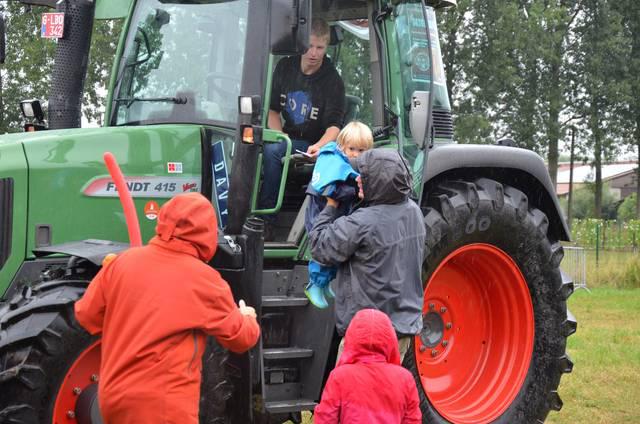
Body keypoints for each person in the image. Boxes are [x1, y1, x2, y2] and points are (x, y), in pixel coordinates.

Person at [74, 193, 260, 424]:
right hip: (164, 407)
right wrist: (248, 317)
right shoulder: (205, 280)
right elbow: (241, 338)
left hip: (113, 399)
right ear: (208, 234)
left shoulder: (122, 263)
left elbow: (85, 314)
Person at [308, 149, 426, 361]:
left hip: (367, 339)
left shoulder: (363, 222)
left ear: (380, 182)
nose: (358, 180)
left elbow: (319, 245)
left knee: (351, 393)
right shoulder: (414, 211)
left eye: (366, 175)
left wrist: (330, 206)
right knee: (386, 393)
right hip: (401, 333)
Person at [259, 17, 346, 240]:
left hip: (314, 144)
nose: (314, 53)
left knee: (272, 152)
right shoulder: (284, 67)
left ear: (326, 47)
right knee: (250, 146)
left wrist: (317, 147)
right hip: (287, 138)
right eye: (310, 46)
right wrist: (280, 137)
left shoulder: (332, 81)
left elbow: (334, 127)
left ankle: (265, 222)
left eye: (320, 47)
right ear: (300, 45)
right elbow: (272, 110)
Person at [304, 121, 373, 308]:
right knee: (324, 251)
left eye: (362, 151)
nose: (356, 155)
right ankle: (314, 285)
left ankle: (325, 284)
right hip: (321, 215)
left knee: (337, 250)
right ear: (342, 146)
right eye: (352, 149)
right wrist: (354, 191)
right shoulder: (333, 163)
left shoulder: (348, 163)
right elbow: (333, 191)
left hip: (337, 215)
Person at [313, 309, 422, 423]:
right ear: (390, 338)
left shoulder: (339, 377)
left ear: (351, 336)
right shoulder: (405, 379)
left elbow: (325, 419)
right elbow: (413, 420)